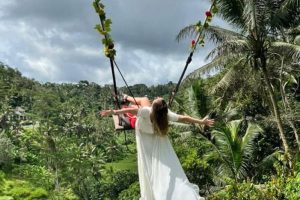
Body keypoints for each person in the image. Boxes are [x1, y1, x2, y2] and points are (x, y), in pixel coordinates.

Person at [100, 95, 214, 200]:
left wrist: (113, 111)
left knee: (141, 101)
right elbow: (185, 118)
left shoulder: (145, 111)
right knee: (143, 101)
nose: (157, 97)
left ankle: (124, 97)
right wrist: (201, 122)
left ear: (153, 108)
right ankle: (125, 97)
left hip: (141, 130)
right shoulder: (166, 115)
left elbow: (129, 110)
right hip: (152, 135)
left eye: (156, 99)